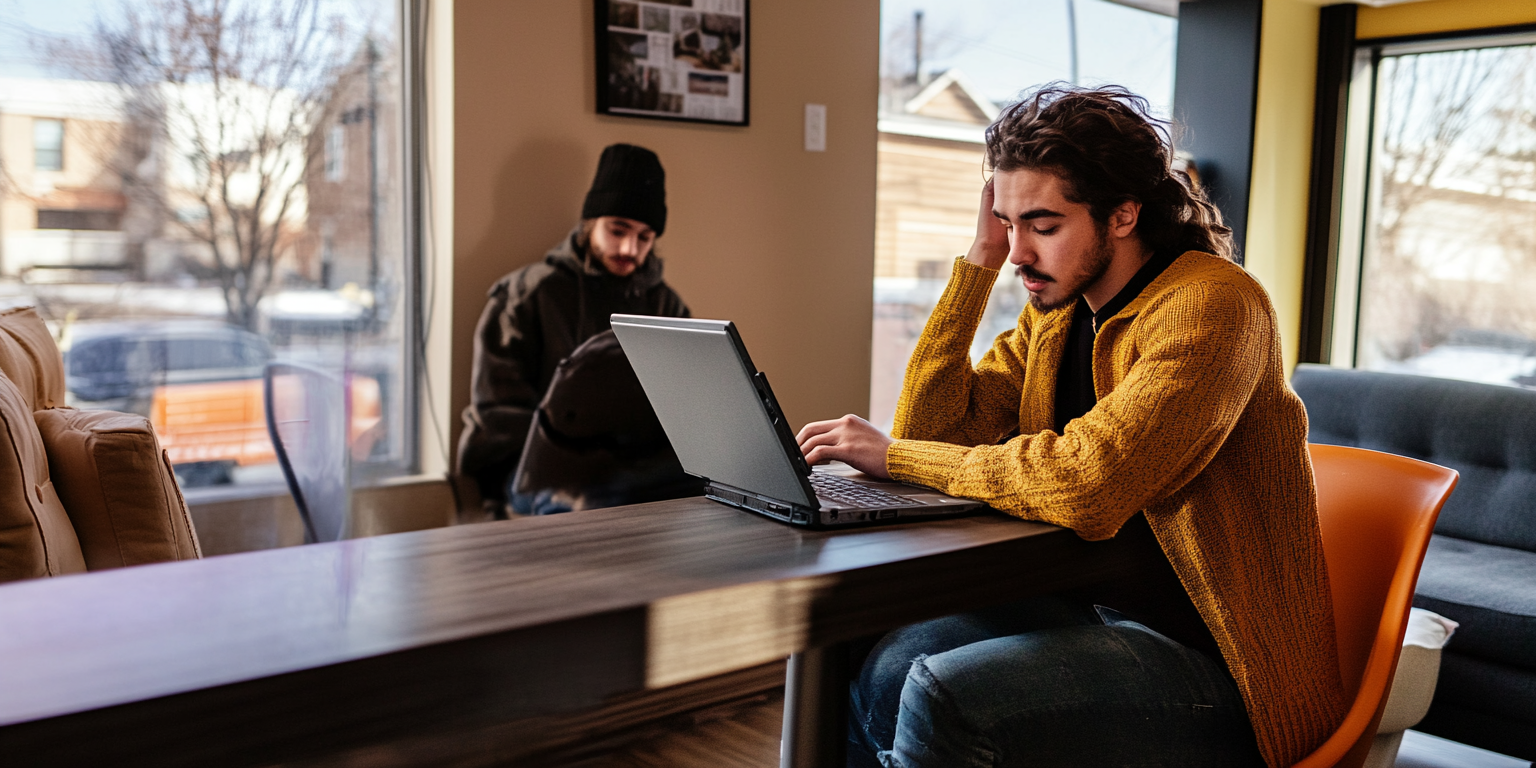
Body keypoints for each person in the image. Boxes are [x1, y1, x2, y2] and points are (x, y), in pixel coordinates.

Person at [796, 85, 1348, 768]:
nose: (1020, 251)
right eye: (1006, 220)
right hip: (1083, 612)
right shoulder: (1054, 312)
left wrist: (899, 458)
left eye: (1043, 225)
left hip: (1218, 666)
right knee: (877, 651)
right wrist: (979, 259)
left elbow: (1089, 484)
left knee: (948, 696)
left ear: (1122, 213)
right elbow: (930, 433)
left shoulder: (1215, 306)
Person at [459, 144, 690, 518]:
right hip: (536, 469)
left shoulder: (667, 307)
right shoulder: (526, 295)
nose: (630, 248)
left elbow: (683, 409)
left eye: (645, 237)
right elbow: (499, 419)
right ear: (590, 224)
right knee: (598, 502)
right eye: (618, 231)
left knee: (716, 487)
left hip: (633, 467)